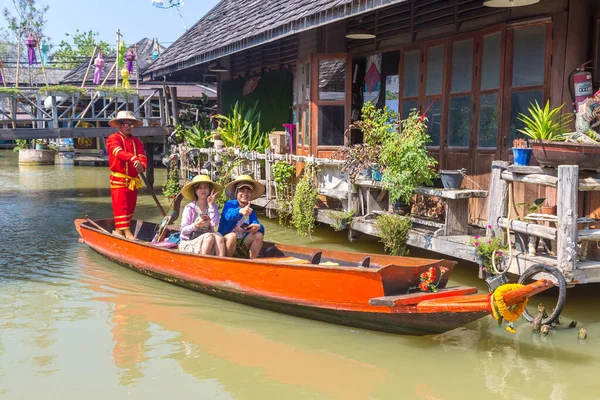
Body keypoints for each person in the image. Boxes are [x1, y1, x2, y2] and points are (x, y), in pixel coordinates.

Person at [105, 111, 147, 240]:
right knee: (121, 205)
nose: (128, 126)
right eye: (125, 124)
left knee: (130, 205)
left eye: (131, 124)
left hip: (133, 179)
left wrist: (142, 165)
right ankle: (127, 232)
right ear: (118, 125)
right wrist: (133, 158)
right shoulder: (113, 139)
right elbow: (118, 152)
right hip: (119, 178)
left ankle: (118, 230)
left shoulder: (137, 142)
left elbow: (142, 156)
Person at [218, 175, 265, 259]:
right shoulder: (230, 204)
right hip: (227, 242)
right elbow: (228, 215)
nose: (245, 193)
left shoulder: (251, 209)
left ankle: (251, 262)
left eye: (248, 191)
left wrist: (258, 226)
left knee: (259, 235)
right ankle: (226, 263)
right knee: (232, 236)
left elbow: (256, 223)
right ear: (236, 193)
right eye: (242, 190)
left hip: (243, 242)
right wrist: (240, 211)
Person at [179, 175, 226, 256]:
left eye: (205, 187)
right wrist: (196, 225)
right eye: (199, 188)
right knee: (209, 237)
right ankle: (203, 264)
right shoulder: (190, 208)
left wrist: (211, 205)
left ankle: (221, 263)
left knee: (219, 236)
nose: (203, 190)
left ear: (209, 189)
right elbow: (183, 230)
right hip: (190, 240)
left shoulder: (213, 206)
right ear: (195, 190)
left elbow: (215, 224)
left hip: (207, 237)